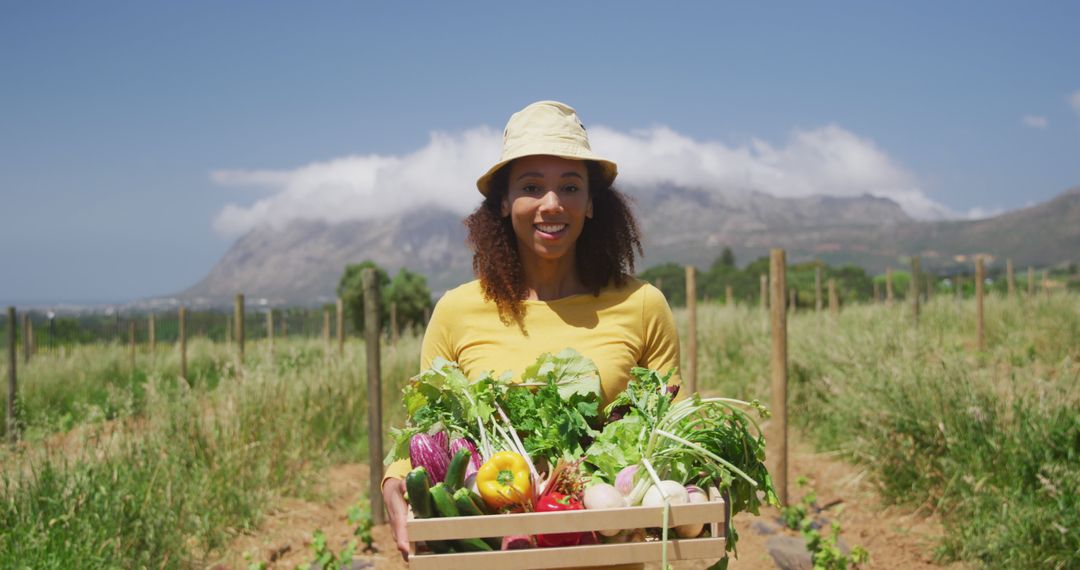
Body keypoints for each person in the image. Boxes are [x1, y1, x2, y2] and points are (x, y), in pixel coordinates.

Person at [381, 100, 682, 565]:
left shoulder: (642, 305)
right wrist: (395, 479)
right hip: (492, 553)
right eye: (531, 186)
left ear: (590, 203)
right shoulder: (457, 310)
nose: (552, 203)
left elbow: (670, 422)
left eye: (570, 186)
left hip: (609, 556)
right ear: (504, 203)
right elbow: (429, 430)